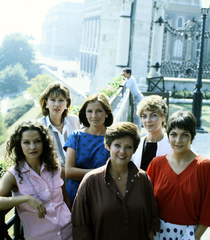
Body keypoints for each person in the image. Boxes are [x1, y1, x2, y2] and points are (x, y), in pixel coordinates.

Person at [71, 122, 160, 240]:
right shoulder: (91, 181)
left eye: (128, 147)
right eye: (117, 145)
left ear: (134, 150)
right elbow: (80, 226)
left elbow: (152, 219)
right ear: (108, 146)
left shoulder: (143, 179)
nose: (122, 151)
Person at [0, 120, 72, 240]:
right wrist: (26, 198)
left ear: (44, 142)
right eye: (26, 142)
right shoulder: (13, 174)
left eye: (37, 141)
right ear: (19, 145)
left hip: (69, 233)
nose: (32, 147)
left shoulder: (55, 166)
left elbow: (65, 200)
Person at [147, 111, 210, 240]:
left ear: (192, 136)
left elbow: (208, 208)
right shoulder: (156, 164)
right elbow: (146, 202)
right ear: (168, 136)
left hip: (189, 234)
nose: (178, 140)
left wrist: (194, 237)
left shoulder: (204, 166)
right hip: (156, 233)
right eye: (173, 134)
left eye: (184, 135)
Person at [64, 93, 114, 206]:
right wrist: (101, 173)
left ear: (106, 113)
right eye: (89, 111)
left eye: (99, 111)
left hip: (103, 197)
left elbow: (116, 173)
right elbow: (69, 172)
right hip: (75, 196)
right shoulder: (75, 137)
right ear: (85, 114)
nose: (94, 115)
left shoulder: (114, 138)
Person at [39, 81, 80, 166]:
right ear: (46, 102)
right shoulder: (39, 126)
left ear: (67, 103)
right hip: (53, 176)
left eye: (61, 100)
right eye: (53, 100)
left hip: (76, 174)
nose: (57, 104)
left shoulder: (75, 121)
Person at [132, 95, 172, 170]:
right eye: (144, 116)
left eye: (153, 115)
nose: (148, 120)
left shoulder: (172, 143)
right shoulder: (137, 143)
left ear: (163, 117)